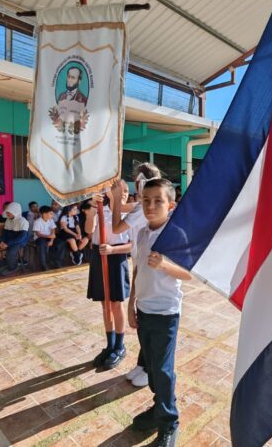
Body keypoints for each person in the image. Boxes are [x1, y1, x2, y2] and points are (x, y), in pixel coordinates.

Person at [129, 179, 192, 447]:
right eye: (146, 200)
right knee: (152, 368)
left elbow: (189, 274)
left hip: (166, 313)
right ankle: (159, 407)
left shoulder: (175, 235)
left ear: (171, 205)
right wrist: (131, 303)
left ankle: (169, 421)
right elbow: (137, 270)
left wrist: (166, 265)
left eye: (158, 201)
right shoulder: (142, 233)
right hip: (143, 311)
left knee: (164, 370)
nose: (151, 206)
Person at [112, 163, 161, 388]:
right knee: (142, 319)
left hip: (151, 266)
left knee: (149, 323)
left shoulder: (143, 207)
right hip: (140, 262)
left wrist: (114, 203)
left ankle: (151, 369)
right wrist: (114, 199)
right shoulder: (141, 205)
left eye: (138, 183)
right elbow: (127, 206)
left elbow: (116, 228)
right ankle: (143, 364)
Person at [86, 186, 132, 371]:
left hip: (115, 256)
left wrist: (113, 250)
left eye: (125, 191)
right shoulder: (101, 209)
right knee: (105, 304)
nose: (122, 194)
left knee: (115, 304)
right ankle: (110, 344)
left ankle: (120, 346)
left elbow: (133, 245)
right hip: (99, 255)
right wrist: (91, 210)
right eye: (115, 191)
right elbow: (89, 229)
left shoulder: (130, 214)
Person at [0, 202, 30, 276]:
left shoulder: (23, 221)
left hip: (19, 242)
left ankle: (13, 267)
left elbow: (21, 237)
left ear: (16, 211)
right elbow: (4, 233)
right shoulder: (8, 220)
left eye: (10, 212)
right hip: (8, 241)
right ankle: (2, 265)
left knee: (11, 252)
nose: (8, 213)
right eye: (7, 211)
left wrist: (7, 243)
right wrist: (1, 241)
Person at [33, 206, 57, 271]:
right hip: (40, 238)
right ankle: (43, 265)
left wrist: (51, 240)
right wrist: (49, 237)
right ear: (44, 214)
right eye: (50, 213)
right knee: (42, 244)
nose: (52, 215)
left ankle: (56, 262)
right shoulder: (37, 222)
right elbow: (38, 234)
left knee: (60, 243)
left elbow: (53, 230)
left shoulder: (51, 220)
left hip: (49, 237)